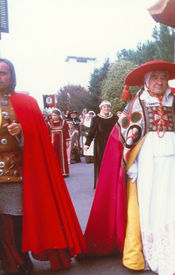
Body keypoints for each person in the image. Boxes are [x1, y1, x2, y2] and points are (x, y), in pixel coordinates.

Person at [83, 60, 175, 275]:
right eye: (155, 77)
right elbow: (126, 137)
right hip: (147, 165)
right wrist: (132, 164)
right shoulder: (136, 104)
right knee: (150, 206)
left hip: (174, 164)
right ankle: (153, 253)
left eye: (164, 77)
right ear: (147, 81)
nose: (160, 81)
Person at [0, 58, 86, 274]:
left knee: (16, 219)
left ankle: (20, 260)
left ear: (12, 77)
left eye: (3, 73)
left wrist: (22, 132)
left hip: (18, 174)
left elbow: (38, 139)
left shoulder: (26, 103)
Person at [84, 101, 117, 189]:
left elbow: (119, 130)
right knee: (102, 163)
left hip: (112, 143)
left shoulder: (114, 117)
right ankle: (101, 183)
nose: (106, 109)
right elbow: (91, 132)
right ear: (101, 108)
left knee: (112, 164)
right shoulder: (96, 119)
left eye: (108, 107)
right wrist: (87, 143)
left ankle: (112, 183)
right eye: (104, 107)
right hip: (100, 144)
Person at [48, 109, 70, 177]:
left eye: (55, 115)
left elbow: (66, 132)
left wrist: (67, 141)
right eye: (52, 115)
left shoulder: (63, 122)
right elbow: (47, 133)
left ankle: (64, 172)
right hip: (52, 143)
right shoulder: (49, 123)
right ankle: (54, 173)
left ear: (58, 115)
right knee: (53, 157)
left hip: (61, 143)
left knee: (62, 156)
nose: (53, 117)